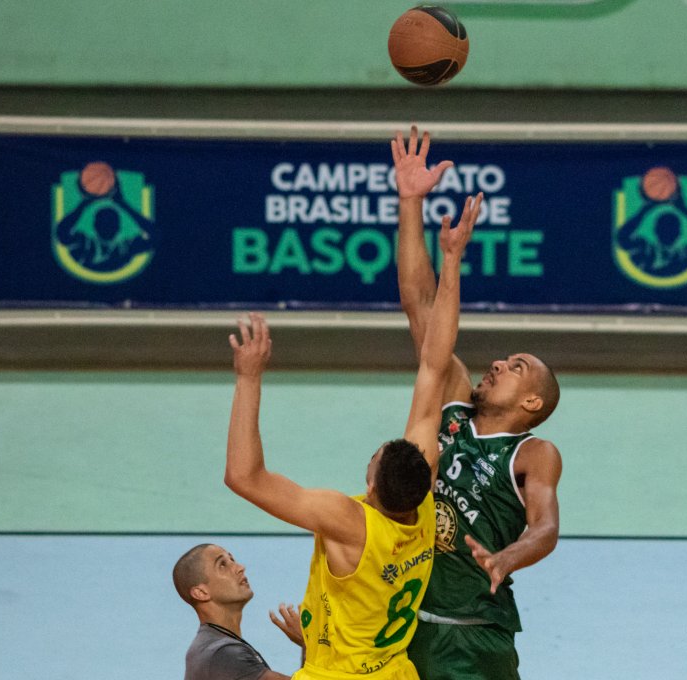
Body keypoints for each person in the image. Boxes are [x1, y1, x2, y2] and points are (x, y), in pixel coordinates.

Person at [223, 193, 481, 680]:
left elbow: (244, 476)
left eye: (373, 458)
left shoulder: (350, 521)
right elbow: (434, 361)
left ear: (373, 484)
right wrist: (452, 261)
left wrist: (248, 378)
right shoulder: (422, 503)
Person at [391, 126, 563, 680]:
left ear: (533, 400)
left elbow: (546, 527)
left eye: (517, 367)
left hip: (474, 635)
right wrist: (410, 202)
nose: (498, 365)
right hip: (404, 622)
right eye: (503, 359)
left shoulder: (533, 452)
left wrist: (507, 557)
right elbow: (420, 304)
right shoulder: (453, 404)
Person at [172, 542, 303, 680]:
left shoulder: (212, 648)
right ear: (201, 592)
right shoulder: (222, 654)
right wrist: (311, 645)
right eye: (222, 565)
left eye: (232, 560)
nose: (240, 568)